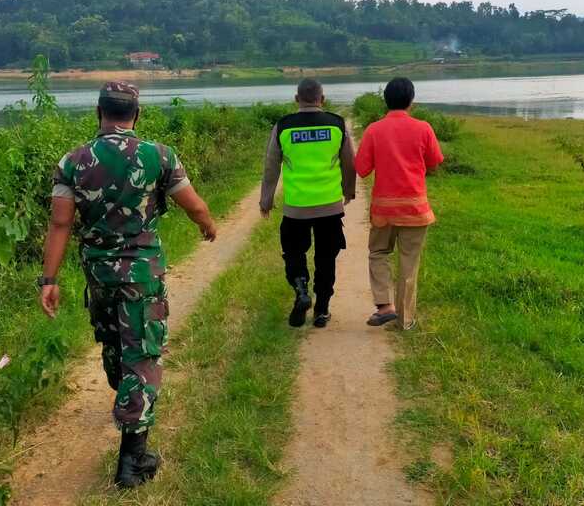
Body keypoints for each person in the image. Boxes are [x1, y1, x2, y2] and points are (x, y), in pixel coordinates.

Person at [38, 81, 217, 489]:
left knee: (115, 345)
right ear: (136, 114)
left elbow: (61, 223)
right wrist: (207, 225)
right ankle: (132, 462)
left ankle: (127, 405)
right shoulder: (159, 156)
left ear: (98, 112)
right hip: (141, 275)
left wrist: (48, 279)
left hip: (98, 276)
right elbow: (194, 204)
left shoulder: (73, 161)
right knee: (143, 356)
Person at [260, 78, 356, 328]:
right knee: (327, 257)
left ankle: (301, 289)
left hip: (296, 208)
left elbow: (271, 167)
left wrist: (266, 201)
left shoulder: (283, 126)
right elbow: (349, 162)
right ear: (322, 99)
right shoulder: (337, 124)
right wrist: (349, 191)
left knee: (294, 252)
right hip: (330, 207)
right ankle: (322, 310)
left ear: (296, 99)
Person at [355, 77, 443, 330]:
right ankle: (405, 321)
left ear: (386, 101)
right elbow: (435, 162)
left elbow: (361, 169)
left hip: (383, 211)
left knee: (378, 254)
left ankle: (385, 305)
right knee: (409, 264)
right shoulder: (424, 128)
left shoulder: (373, 130)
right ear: (411, 101)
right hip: (416, 211)